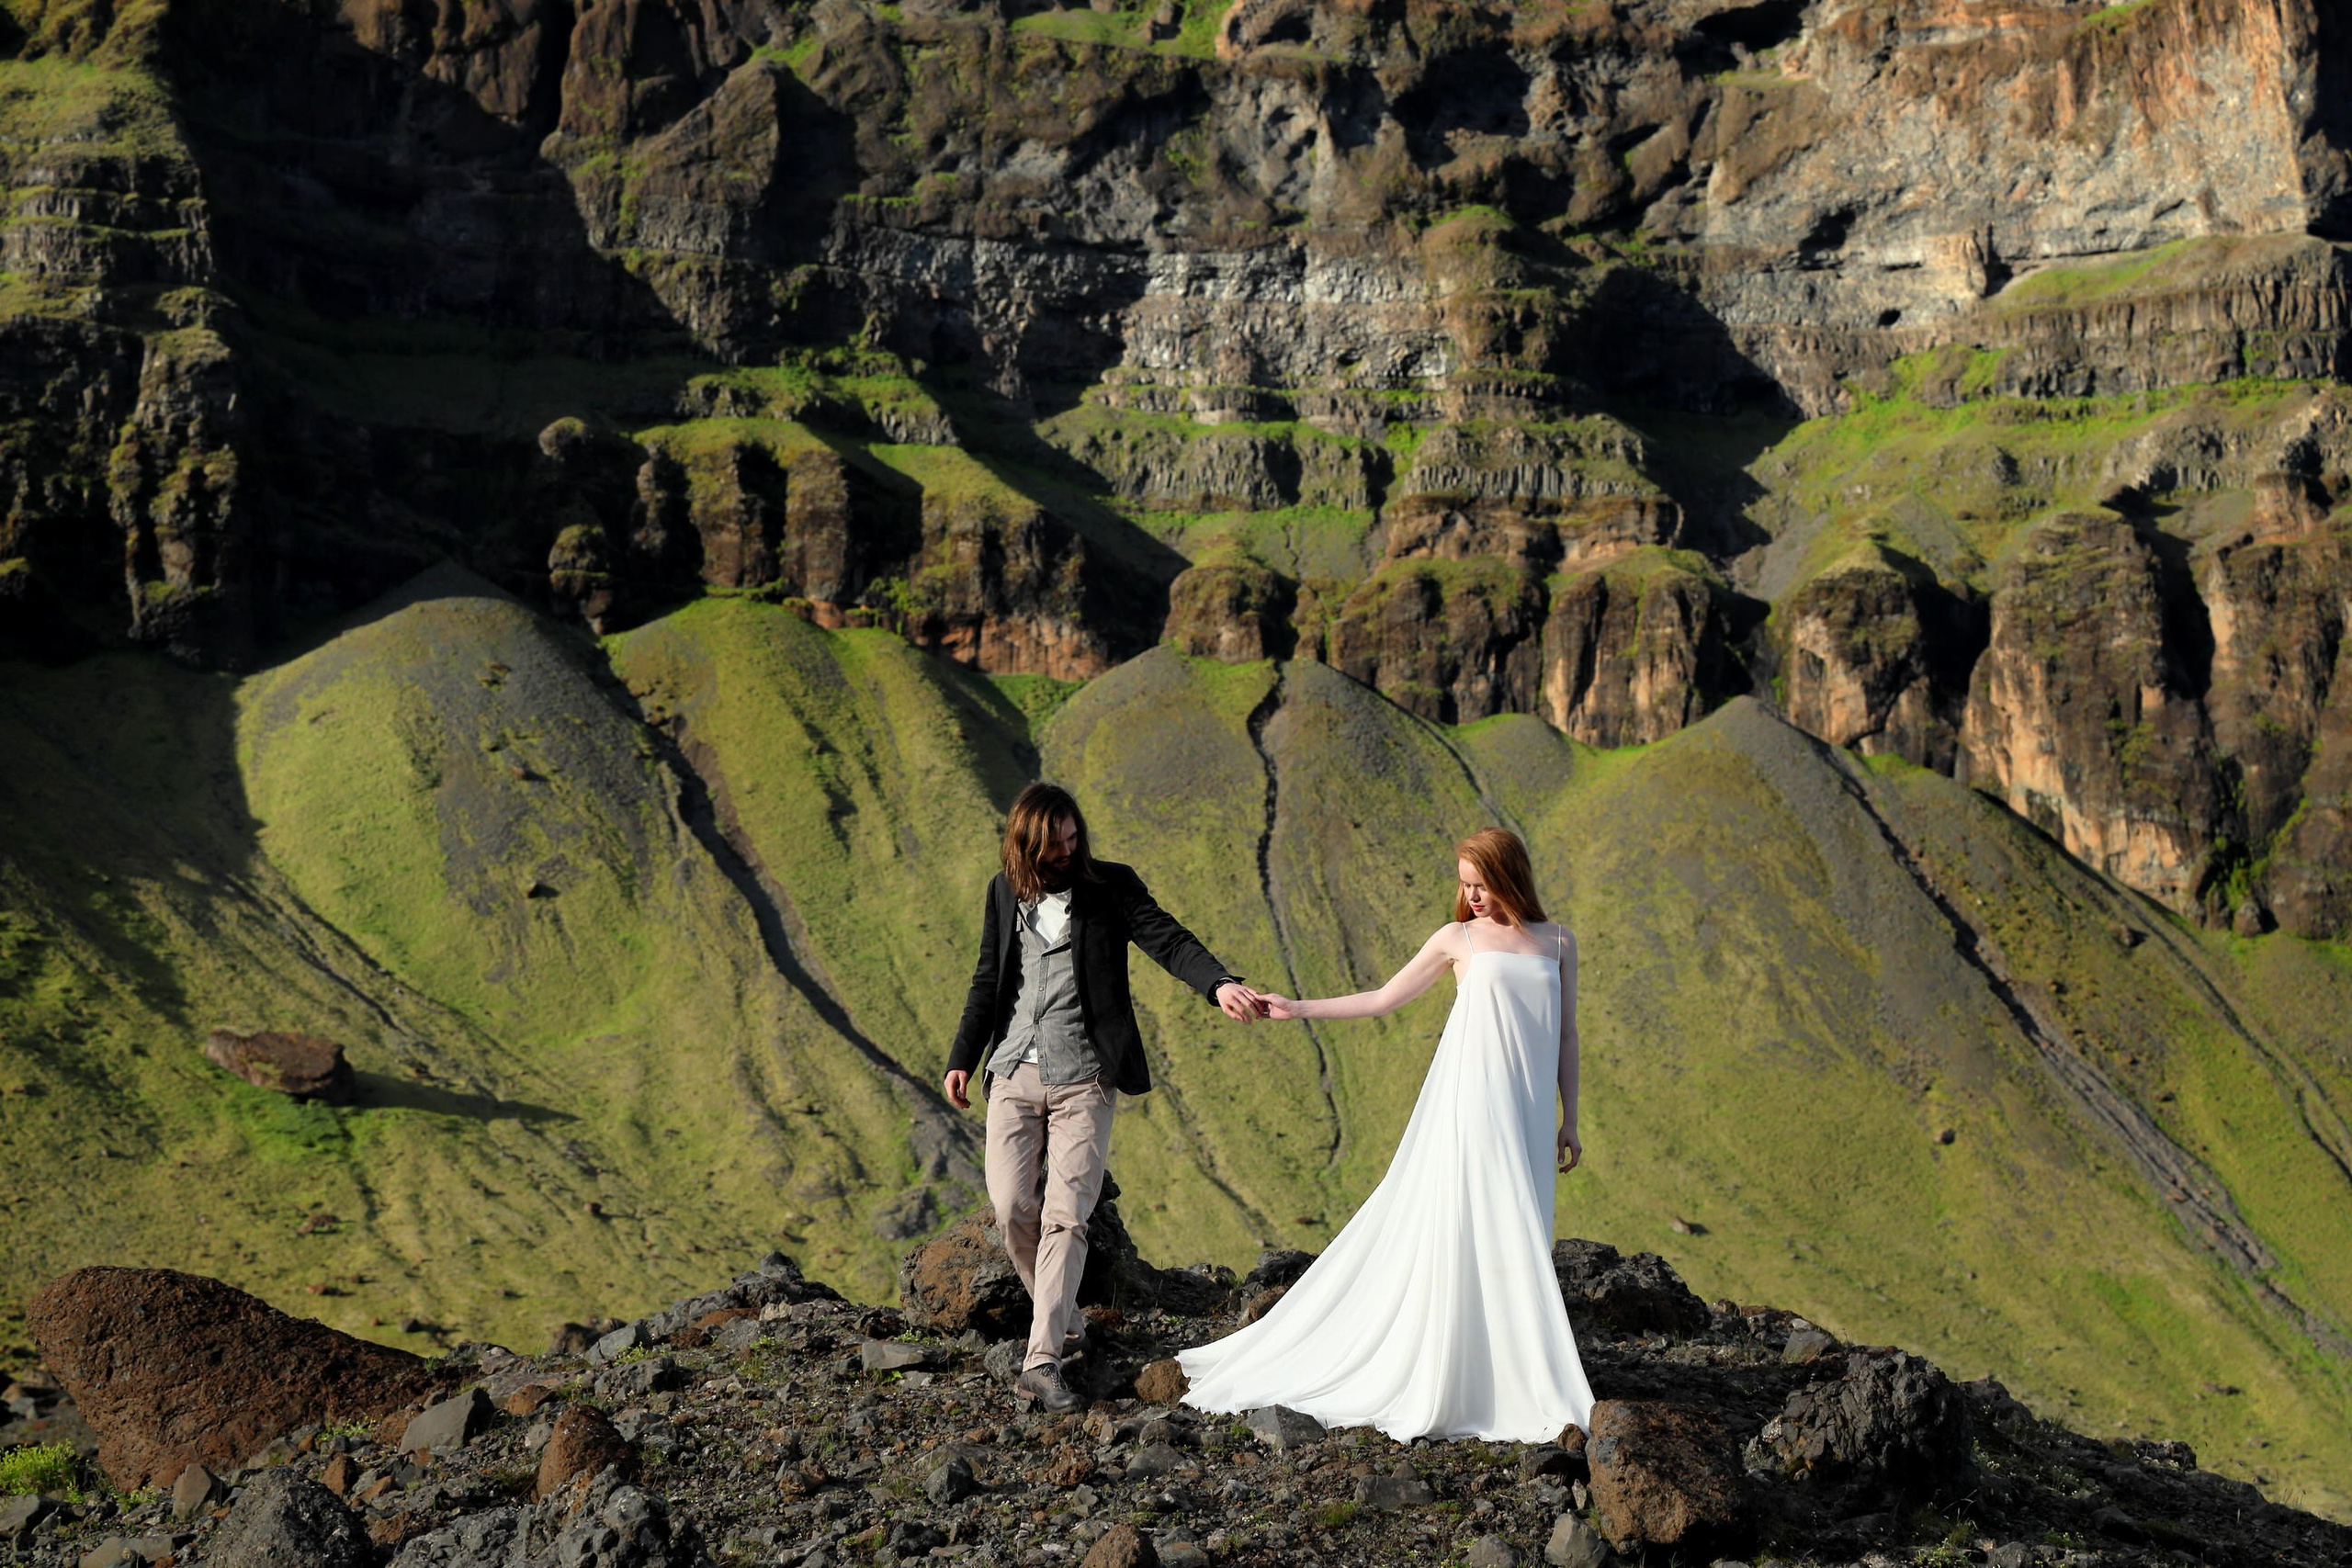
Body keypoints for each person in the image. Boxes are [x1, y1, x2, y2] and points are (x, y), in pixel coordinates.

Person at [1176, 827, 1591, 1442]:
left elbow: (1566, 1033)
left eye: (1481, 884)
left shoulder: (1558, 941)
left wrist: (1570, 1118)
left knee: (1522, 1225)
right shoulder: (1458, 938)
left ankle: (1512, 1368)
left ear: (1510, 876)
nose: (1472, 896)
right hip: (1474, 1105)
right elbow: (1383, 998)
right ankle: (1461, 1370)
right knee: (1476, 1221)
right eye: (1465, 884)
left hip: (1529, 1113)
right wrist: (1299, 1007)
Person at [943, 783, 1263, 1414]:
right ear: (1025, 845)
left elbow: (1169, 939)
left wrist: (1219, 984)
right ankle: (1064, 1323)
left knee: (1067, 1215)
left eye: (1073, 837)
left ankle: (1041, 1362)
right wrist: (962, 1056)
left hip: (1085, 1076)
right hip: (1012, 1070)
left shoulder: (1111, 885)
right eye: (1054, 843)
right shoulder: (1003, 891)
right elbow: (988, 977)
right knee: (1012, 1208)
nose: (1067, 850)